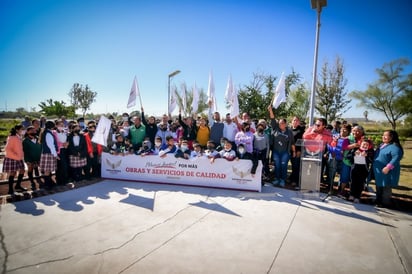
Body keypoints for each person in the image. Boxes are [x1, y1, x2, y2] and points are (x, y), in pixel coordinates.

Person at [373, 130, 404, 208]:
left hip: (388, 171)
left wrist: (388, 167)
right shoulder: (382, 145)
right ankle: (378, 200)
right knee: (379, 186)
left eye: (385, 135)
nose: (383, 137)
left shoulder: (395, 147)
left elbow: (396, 158)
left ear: (392, 137)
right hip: (379, 171)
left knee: (386, 187)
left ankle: (385, 203)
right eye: (383, 135)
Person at [268, 106, 295, 187]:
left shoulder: (289, 132)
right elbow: (272, 119)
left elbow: (292, 143)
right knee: (277, 165)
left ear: (285, 124)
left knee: (284, 165)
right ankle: (277, 179)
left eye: (283, 123)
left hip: (285, 152)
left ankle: (282, 180)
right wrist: (270, 110)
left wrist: (293, 151)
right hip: (276, 151)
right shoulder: (276, 129)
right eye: (279, 123)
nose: (281, 124)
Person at [3, 125, 26, 195]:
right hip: (12, 158)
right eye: (22, 129)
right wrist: (16, 156)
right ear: (17, 130)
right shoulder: (12, 137)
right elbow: (7, 149)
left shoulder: (19, 137)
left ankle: (17, 185)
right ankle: (10, 189)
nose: (23, 130)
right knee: (13, 173)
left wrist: (21, 156)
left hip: (19, 158)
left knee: (22, 170)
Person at [39, 121, 59, 190]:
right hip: (49, 153)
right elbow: (51, 145)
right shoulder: (48, 134)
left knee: (48, 170)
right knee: (47, 170)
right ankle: (47, 185)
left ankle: (49, 183)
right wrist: (55, 154)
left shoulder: (46, 132)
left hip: (48, 153)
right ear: (52, 126)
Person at [23, 126, 42, 190]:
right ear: (28, 132)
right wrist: (28, 160)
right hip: (30, 159)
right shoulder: (25, 141)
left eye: (35, 130)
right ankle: (32, 182)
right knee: (30, 170)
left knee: (39, 169)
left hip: (39, 158)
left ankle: (39, 180)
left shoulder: (38, 139)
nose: (34, 132)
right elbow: (25, 151)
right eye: (32, 130)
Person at [289, 116, 305, 186]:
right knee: (293, 165)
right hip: (289, 150)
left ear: (299, 122)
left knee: (296, 166)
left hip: (297, 151)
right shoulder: (289, 130)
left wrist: (299, 151)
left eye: (297, 120)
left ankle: (295, 180)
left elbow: (302, 142)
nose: (295, 122)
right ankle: (292, 177)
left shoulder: (301, 131)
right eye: (294, 120)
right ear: (292, 121)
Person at [54, 119, 70, 186]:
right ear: (56, 125)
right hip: (58, 151)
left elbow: (67, 139)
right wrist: (62, 144)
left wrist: (67, 143)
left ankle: (65, 180)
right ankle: (59, 180)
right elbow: (55, 142)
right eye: (60, 125)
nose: (62, 126)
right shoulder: (54, 133)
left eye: (63, 125)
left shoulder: (65, 132)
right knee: (60, 166)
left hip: (65, 150)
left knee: (65, 166)